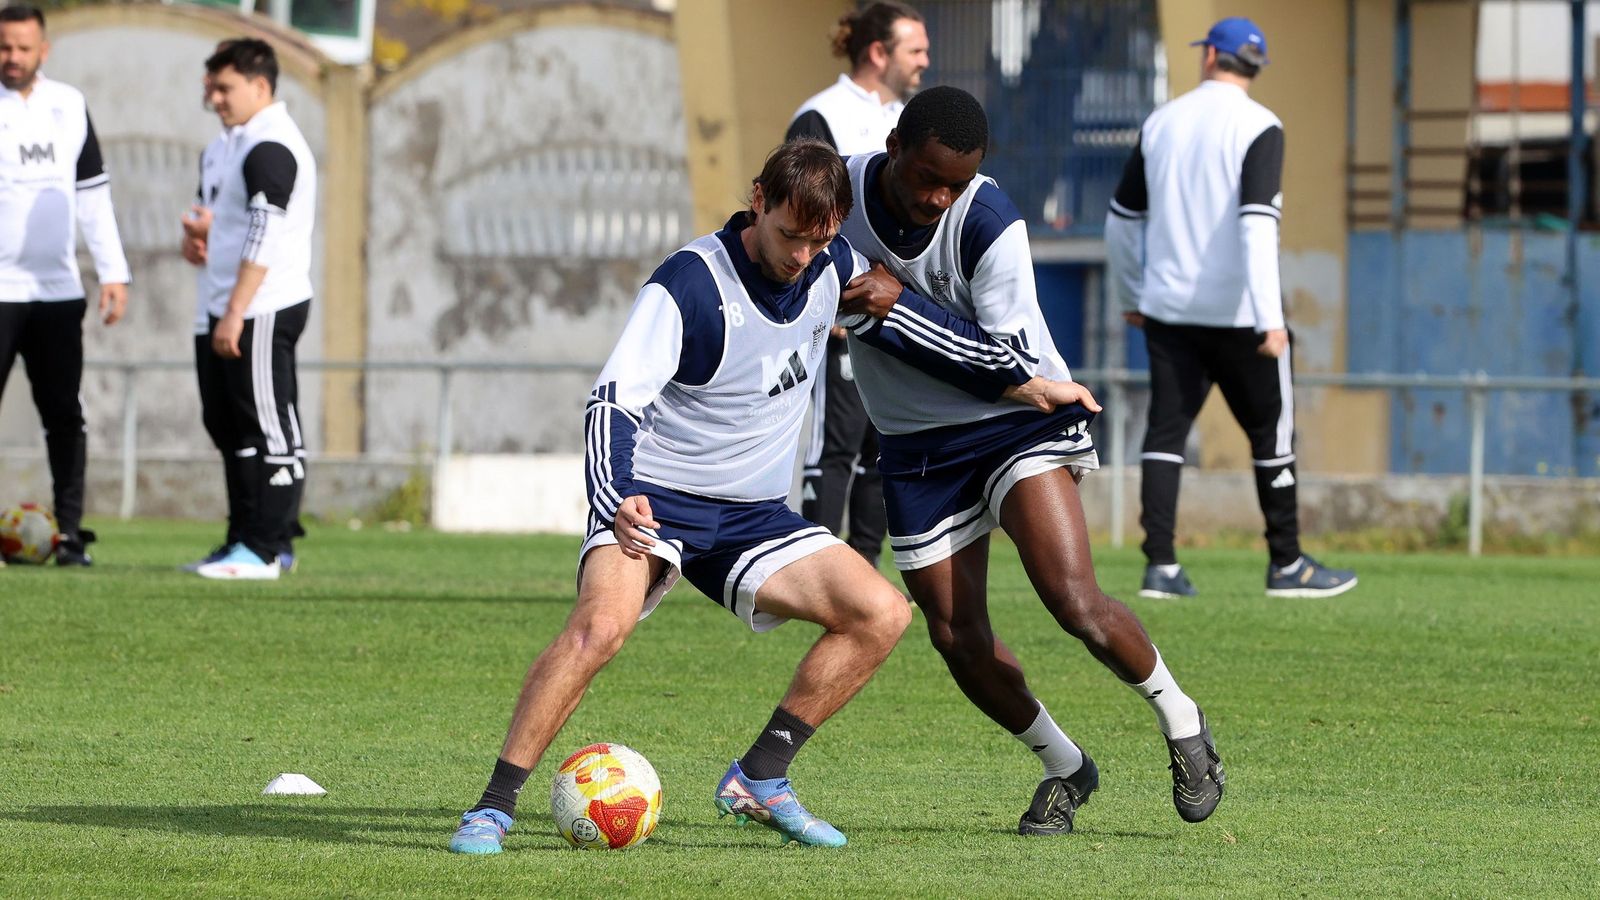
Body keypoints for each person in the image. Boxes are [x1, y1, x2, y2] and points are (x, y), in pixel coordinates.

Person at [447, 141, 914, 855]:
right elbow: (611, 402)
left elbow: (903, 301)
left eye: (819, 241)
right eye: (790, 235)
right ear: (758, 201)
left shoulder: (833, 267)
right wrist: (617, 496)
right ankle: (492, 807)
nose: (801, 256)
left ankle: (761, 776)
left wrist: (1019, 380)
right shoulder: (691, 283)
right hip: (656, 498)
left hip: (753, 516)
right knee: (599, 629)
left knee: (881, 613)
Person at [836, 86, 1225, 834]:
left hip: (1017, 422)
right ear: (893, 147)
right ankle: (1065, 766)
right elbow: (818, 280)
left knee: (1072, 599)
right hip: (914, 446)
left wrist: (897, 306)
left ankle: (1182, 719)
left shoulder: (988, 221)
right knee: (956, 638)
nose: (938, 197)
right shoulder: (840, 196)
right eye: (927, 177)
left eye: (954, 184)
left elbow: (1008, 365)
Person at [1104, 18, 1357, 600]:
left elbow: (1121, 221)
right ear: (1255, 66)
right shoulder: (1260, 125)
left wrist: (1131, 296)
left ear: (1210, 56)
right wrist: (1271, 319)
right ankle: (1286, 564)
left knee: (1165, 434)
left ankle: (1161, 567)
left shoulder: (1161, 122)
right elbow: (1257, 225)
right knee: (1273, 435)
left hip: (1169, 311)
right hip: (1242, 317)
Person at [786, 1, 927, 566]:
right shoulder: (822, 115)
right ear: (878, 52)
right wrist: (830, 300)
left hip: (896, 309)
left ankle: (864, 568)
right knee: (836, 443)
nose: (925, 60)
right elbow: (801, 209)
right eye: (915, 49)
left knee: (883, 444)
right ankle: (811, 567)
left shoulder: (911, 120)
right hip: (843, 311)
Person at [178, 38, 315, 580]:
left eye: (224, 88)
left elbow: (266, 229)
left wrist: (237, 310)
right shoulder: (227, 146)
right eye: (210, 87)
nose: (214, 98)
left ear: (260, 86)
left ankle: (267, 549)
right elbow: (231, 221)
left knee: (269, 428)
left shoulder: (270, 144)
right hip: (221, 303)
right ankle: (242, 539)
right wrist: (201, 239)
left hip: (262, 304)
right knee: (227, 423)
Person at [0, 4, 129, 567]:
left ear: (43, 51)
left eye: (22, 48)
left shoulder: (69, 105)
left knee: (64, 414)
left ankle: (70, 533)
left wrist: (113, 270)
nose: (12, 57)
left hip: (56, 290)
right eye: (4, 47)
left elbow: (93, 194)